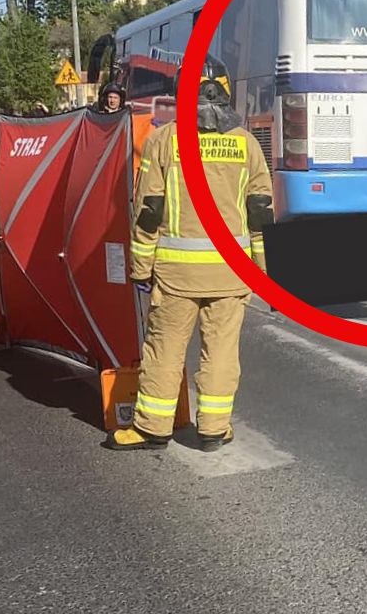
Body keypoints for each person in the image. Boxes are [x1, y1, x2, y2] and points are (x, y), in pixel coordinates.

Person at [105, 63, 272, 452]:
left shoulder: (166, 141)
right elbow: (261, 212)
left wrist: (140, 267)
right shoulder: (247, 143)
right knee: (222, 352)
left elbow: (149, 208)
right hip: (231, 272)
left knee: (164, 349)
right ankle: (214, 429)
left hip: (177, 274)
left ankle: (152, 428)